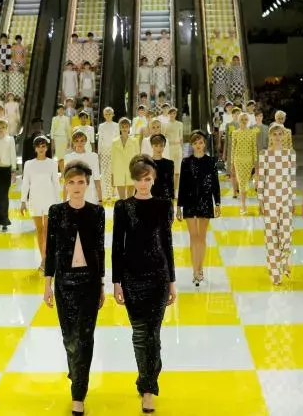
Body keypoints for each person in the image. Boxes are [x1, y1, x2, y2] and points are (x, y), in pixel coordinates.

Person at [112, 154, 177, 414]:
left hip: (158, 276)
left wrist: (172, 281)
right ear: (133, 179)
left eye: (147, 179)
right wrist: (116, 282)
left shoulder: (163, 206)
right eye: (139, 179)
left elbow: (168, 245)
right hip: (132, 277)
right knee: (140, 334)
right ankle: (147, 383)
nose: (143, 184)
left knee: (153, 334)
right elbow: (117, 247)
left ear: (154, 179)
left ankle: (148, 385)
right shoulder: (122, 207)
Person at [43, 160, 105, 416]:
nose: (76, 186)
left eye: (80, 182)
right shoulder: (56, 211)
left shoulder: (97, 212)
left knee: (85, 338)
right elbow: (50, 249)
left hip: (89, 282)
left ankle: (78, 393)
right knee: (70, 339)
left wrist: (102, 284)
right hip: (64, 283)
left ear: (87, 184)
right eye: (71, 182)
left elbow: (100, 250)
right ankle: (76, 371)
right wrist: (47, 284)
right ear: (65, 185)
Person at [177, 131, 221, 285]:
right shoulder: (185, 162)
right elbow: (182, 185)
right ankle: (194, 270)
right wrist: (179, 206)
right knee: (193, 237)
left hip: (205, 201)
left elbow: (215, 184)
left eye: (200, 142)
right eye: (195, 143)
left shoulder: (211, 161)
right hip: (189, 202)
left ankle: (200, 269)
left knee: (201, 237)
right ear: (191, 144)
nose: (198, 145)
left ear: (204, 144)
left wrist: (217, 203)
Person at [257, 124, 297, 285]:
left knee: (286, 234)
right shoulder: (264, 154)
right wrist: (260, 199)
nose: (278, 137)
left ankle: (284, 261)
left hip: (286, 198)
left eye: (280, 134)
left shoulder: (290, 154)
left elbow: (292, 177)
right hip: (269, 198)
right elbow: (261, 177)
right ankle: (275, 272)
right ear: (270, 136)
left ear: (284, 135)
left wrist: (293, 199)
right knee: (271, 235)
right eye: (275, 134)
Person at [21, 135, 60, 272]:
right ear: (35, 148)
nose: (41, 149)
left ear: (47, 148)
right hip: (35, 200)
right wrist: (23, 201)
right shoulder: (28, 164)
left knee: (48, 231)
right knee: (39, 230)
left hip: (50, 200)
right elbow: (25, 183)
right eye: (39, 146)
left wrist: (59, 204)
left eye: (43, 146)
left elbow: (56, 183)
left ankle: (47, 260)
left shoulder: (52, 163)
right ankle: (43, 259)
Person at [0, 119, 17, 231]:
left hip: (6, 170)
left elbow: (13, 154)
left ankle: (4, 221)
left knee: (4, 196)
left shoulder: (10, 139)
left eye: (3, 127)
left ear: (6, 128)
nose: (1, 129)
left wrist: (14, 170)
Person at [63, 130, 102, 204]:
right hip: (73, 194)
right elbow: (66, 180)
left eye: (82, 140)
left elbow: (97, 179)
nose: (79, 143)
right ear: (73, 142)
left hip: (90, 194)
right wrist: (64, 202)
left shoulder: (93, 156)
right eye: (77, 141)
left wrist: (100, 200)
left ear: (86, 141)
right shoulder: (68, 157)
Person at [232, 113, 257, 215]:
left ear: (248, 120)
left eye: (245, 119)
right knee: (242, 182)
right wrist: (232, 163)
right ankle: (243, 205)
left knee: (245, 182)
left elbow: (254, 148)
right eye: (242, 119)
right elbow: (233, 148)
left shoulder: (252, 133)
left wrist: (255, 162)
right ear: (239, 120)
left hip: (249, 161)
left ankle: (243, 203)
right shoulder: (235, 133)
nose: (244, 121)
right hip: (238, 160)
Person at [111, 118, 138, 199]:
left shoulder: (135, 141)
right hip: (119, 171)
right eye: (122, 127)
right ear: (120, 128)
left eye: (126, 126)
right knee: (122, 198)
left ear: (129, 128)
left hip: (131, 171)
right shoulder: (114, 142)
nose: (124, 128)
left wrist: (137, 172)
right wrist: (112, 175)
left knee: (130, 198)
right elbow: (113, 159)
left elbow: (138, 158)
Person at [97, 107, 119, 200]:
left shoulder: (116, 125)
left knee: (113, 171)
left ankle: (114, 192)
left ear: (113, 115)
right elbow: (100, 139)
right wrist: (99, 152)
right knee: (105, 171)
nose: (108, 115)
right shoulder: (101, 126)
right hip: (104, 151)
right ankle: (106, 192)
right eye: (106, 114)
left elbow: (117, 138)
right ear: (104, 115)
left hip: (113, 150)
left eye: (109, 113)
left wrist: (117, 150)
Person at [163, 107, 183, 193]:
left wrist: (182, 150)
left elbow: (181, 138)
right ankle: (169, 190)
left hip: (178, 148)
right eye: (171, 113)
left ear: (176, 114)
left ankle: (176, 191)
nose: (172, 115)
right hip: (169, 148)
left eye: (174, 113)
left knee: (177, 172)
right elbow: (163, 137)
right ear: (169, 114)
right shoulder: (165, 124)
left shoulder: (180, 124)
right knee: (170, 170)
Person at [149, 134, 174, 201]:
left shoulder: (169, 163)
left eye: (161, 146)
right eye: (156, 146)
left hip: (164, 199)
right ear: (152, 146)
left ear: (164, 146)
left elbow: (170, 184)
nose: (159, 148)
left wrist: (171, 201)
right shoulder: (146, 163)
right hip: (149, 199)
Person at [51, 104, 72, 171]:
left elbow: (68, 130)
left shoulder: (66, 119)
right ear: (57, 110)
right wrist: (52, 140)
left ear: (64, 110)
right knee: (57, 155)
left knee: (64, 155)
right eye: (59, 109)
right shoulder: (54, 118)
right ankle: (58, 170)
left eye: (62, 109)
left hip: (64, 138)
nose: (61, 111)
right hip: (57, 138)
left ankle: (64, 170)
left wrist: (69, 140)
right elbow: (52, 130)